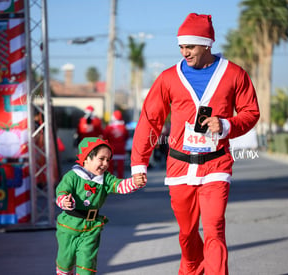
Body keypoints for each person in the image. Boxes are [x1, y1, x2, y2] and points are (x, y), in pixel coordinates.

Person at [130, 13, 260, 275]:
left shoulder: (234, 74)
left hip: (216, 165)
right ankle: (191, 269)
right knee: (187, 235)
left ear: (207, 44)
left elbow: (251, 112)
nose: (184, 52)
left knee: (214, 229)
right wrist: (139, 163)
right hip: (179, 167)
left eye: (190, 46)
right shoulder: (168, 78)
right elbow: (150, 121)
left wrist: (226, 125)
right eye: (181, 46)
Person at [55, 137, 146, 275]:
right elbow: (61, 192)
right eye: (101, 158)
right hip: (69, 226)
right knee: (65, 261)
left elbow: (119, 186)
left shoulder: (106, 178)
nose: (105, 164)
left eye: (108, 160)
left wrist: (135, 182)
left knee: (87, 265)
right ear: (86, 158)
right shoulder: (72, 176)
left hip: (91, 228)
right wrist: (64, 201)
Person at [103, 110, 129, 178]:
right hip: (121, 150)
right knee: (120, 168)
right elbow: (126, 137)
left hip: (111, 150)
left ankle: (110, 183)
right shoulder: (123, 127)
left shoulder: (109, 127)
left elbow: (104, 138)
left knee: (110, 168)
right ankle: (119, 183)